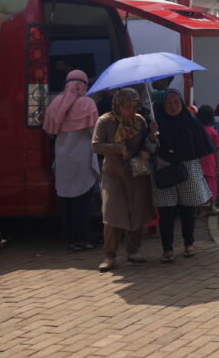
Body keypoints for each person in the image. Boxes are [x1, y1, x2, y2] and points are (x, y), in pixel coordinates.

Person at [91, 88, 155, 272]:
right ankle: (109, 255)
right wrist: (117, 149)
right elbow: (96, 146)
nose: (130, 110)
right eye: (126, 106)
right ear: (118, 105)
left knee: (137, 210)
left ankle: (133, 250)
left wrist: (147, 146)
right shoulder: (105, 121)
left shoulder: (140, 120)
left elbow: (146, 143)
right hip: (113, 172)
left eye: (133, 106)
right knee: (112, 213)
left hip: (136, 170)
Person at [152, 89, 214, 263]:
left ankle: (189, 243)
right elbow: (150, 148)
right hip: (164, 170)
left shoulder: (191, 122)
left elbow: (201, 145)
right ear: (163, 105)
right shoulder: (156, 123)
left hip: (188, 169)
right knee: (166, 212)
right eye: (168, 103)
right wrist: (152, 134)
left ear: (181, 104)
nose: (172, 106)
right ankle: (167, 249)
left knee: (187, 209)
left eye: (176, 102)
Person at [42, 70, 100, 252]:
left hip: (62, 160)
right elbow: (95, 133)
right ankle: (83, 239)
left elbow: (50, 131)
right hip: (82, 160)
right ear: (83, 84)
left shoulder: (55, 103)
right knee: (82, 201)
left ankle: (70, 239)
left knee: (66, 201)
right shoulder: (87, 104)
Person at [195, 105, 219, 217]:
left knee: (199, 183)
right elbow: (216, 149)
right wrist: (218, 164)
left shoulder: (196, 131)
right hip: (210, 160)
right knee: (212, 182)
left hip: (198, 159)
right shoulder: (213, 131)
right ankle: (212, 205)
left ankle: (200, 209)